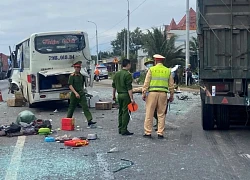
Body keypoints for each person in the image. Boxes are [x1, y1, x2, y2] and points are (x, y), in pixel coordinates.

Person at [142, 54, 174, 139]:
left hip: (152, 94)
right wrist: (171, 95)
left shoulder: (151, 69)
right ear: (162, 61)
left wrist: (144, 93)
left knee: (149, 113)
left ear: (155, 61)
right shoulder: (168, 71)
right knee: (161, 114)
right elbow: (171, 85)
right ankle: (160, 133)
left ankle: (148, 132)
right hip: (163, 94)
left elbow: (146, 83)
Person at [67, 61, 96, 126]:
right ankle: (68, 120)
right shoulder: (72, 76)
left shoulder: (81, 76)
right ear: (74, 68)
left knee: (85, 106)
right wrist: (75, 93)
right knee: (71, 107)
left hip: (81, 93)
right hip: (74, 94)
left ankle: (89, 120)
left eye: (79, 67)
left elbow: (83, 84)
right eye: (76, 67)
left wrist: (83, 91)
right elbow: (70, 85)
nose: (78, 68)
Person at [112, 59, 135, 136]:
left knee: (120, 112)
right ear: (128, 65)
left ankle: (120, 128)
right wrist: (132, 98)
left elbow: (114, 86)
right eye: (130, 65)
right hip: (125, 95)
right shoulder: (128, 75)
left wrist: (113, 95)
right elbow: (129, 88)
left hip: (119, 95)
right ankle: (124, 129)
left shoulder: (117, 74)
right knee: (126, 112)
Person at [144, 58, 159, 130]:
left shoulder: (154, 71)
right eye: (147, 64)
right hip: (149, 93)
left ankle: (158, 124)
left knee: (156, 110)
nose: (149, 65)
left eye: (150, 63)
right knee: (152, 111)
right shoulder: (148, 72)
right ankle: (157, 124)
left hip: (155, 92)